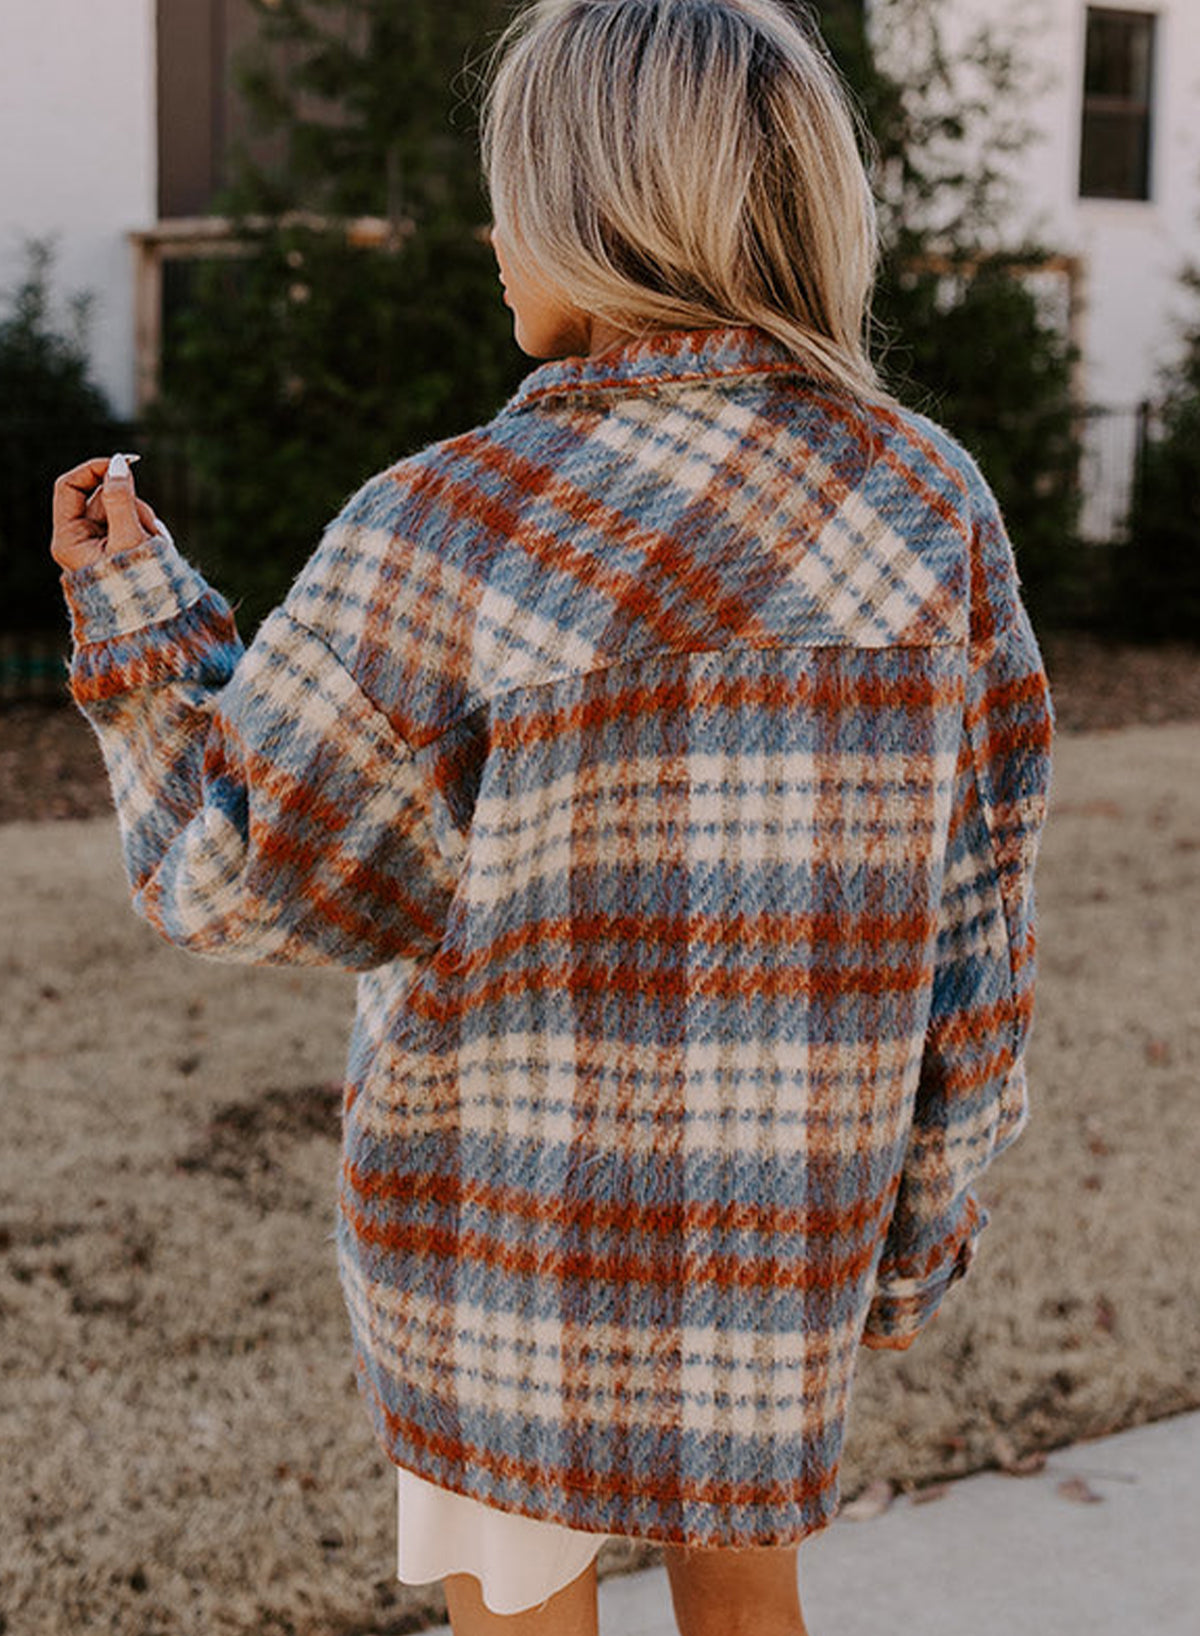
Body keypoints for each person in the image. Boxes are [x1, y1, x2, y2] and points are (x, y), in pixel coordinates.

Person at [51, 1, 1054, 1632]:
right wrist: (915, 1231)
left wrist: (139, 619)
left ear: (605, 210)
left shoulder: (450, 526)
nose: (490, 228)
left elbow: (237, 867)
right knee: (751, 1604)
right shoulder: (925, 504)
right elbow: (979, 924)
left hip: (493, 1252)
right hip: (772, 1255)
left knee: (521, 1610)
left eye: (513, 185)